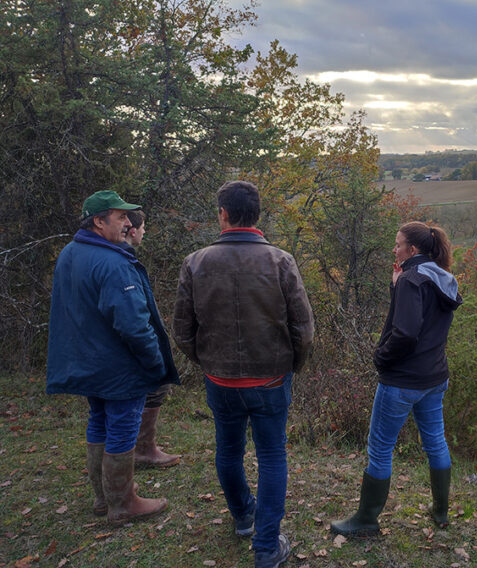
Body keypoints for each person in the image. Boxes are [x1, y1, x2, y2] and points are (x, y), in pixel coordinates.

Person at [173, 180, 314, 568]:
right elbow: (304, 329)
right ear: (258, 214)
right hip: (270, 379)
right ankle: (266, 547)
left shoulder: (196, 262)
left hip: (220, 380)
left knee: (228, 450)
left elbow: (182, 331)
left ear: (223, 214)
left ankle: (243, 517)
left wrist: (208, 363)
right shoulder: (281, 261)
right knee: (271, 457)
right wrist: (292, 367)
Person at [46, 190, 180, 526]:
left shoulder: (70, 253)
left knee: (99, 421)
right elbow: (134, 325)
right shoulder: (114, 263)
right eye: (120, 217)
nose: (127, 223)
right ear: (99, 220)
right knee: (121, 425)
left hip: (87, 360)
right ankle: (123, 504)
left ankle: (102, 499)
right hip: (117, 365)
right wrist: (154, 362)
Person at [331, 221, 462, 538]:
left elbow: (405, 332)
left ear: (412, 250)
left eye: (398, 243)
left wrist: (381, 359)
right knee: (435, 441)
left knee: (379, 448)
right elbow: (422, 319)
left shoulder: (411, 281)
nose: (394, 248)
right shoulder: (443, 279)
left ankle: (366, 520)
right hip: (435, 377)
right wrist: (395, 287)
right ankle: (441, 512)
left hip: (402, 380)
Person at [119, 209, 181, 468]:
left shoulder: (121, 258)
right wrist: (151, 349)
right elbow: (130, 315)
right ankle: (142, 449)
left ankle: (143, 447)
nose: (144, 232)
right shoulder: (120, 261)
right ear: (133, 230)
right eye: (143, 227)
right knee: (155, 385)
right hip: (130, 345)